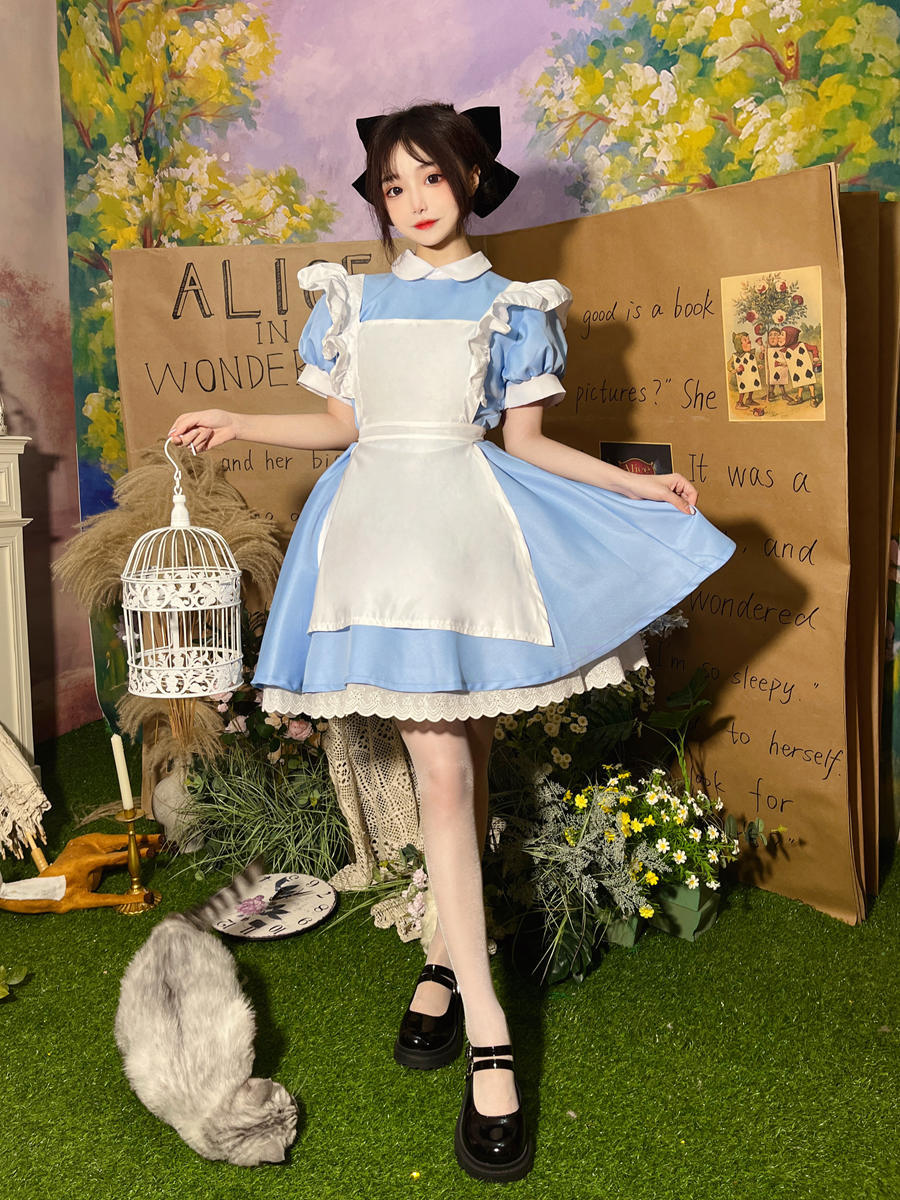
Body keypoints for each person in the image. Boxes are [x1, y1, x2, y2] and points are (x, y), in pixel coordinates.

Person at [169, 101, 735, 1183]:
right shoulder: (355, 297)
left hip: (468, 540)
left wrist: (636, 486)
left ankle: (453, 979)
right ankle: (485, 1022)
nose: (414, 201)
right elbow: (342, 427)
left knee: (463, 757)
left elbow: (529, 443)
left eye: (432, 177)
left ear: (471, 178)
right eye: (394, 185)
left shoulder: (512, 304)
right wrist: (239, 422)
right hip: (375, 543)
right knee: (444, 771)